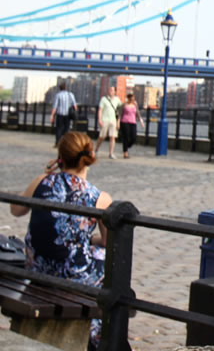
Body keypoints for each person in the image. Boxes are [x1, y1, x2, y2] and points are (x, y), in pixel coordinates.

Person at [10, 131, 113, 350]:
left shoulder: (43, 182)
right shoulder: (99, 198)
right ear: (89, 157)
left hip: (38, 269)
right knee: (107, 264)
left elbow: (16, 210)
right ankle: (98, 336)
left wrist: (45, 175)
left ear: (60, 157)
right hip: (73, 276)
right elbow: (107, 242)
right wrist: (90, 240)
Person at [94, 85, 121, 159]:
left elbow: (119, 111)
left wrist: (118, 121)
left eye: (112, 90)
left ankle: (111, 153)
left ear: (115, 91)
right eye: (109, 90)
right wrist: (99, 119)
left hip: (113, 120)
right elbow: (100, 110)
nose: (110, 91)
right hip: (105, 119)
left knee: (113, 137)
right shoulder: (104, 99)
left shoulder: (117, 100)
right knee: (102, 136)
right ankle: (96, 149)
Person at [119, 92, 143, 159]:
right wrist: (118, 123)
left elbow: (137, 113)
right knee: (125, 137)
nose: (132, 100)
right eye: (131, 99)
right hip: (124, 122)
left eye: (133, 99)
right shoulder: (124, 105)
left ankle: (127, 145)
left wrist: (141, 121)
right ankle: (125, 152)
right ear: (128, 99)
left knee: (134, 137)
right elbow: (120, 114)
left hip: (133, 122)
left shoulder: (135, 105)